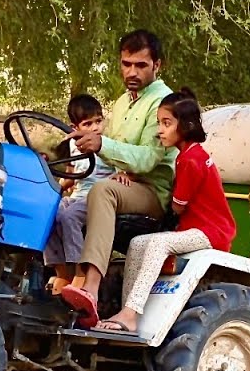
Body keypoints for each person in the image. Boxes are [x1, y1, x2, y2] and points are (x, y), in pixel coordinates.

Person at [95, 90, 235, 335]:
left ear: (186, 125)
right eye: (159, 123)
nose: (160, 130)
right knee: (138, 243)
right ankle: (128, 314)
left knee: (158, 244)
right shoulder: (187, 156)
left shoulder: (191, 160)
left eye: (166, 123)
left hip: (210, 233)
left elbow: (178, 206)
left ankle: (131, 312)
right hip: (195, 228)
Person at [60, 30, 175, 325]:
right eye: (126, 64)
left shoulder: (163, 102)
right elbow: (118, 153)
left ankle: (91, 288)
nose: (132, 72)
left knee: (102, 191)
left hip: (151, 191)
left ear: (157, 65)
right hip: (123, 181)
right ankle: (57, 279)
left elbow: (150, 159)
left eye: (140, 65)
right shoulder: (123, 102)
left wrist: (103, 146)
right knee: (56, 204)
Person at [44, 95, 116, 293]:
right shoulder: (72, 146)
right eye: (88, 124)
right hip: (77, 195)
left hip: (97, 197)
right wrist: (55, 188)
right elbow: (71, 176)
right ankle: (61, 274)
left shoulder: (107, 146)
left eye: (98, 121)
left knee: (69, 217)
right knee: (49, 213)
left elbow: (119, 171)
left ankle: (80, 273)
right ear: (74, 127)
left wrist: (122, 176)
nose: (95, 128)